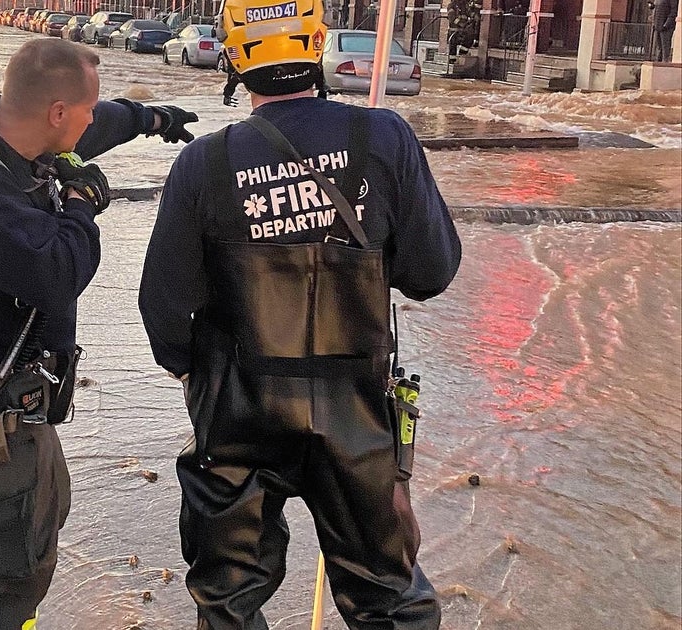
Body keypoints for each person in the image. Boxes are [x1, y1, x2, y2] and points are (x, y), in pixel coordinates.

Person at [138, 0, 461, 627]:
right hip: (357, 413)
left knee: (227, 599)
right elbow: (432, 271)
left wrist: (196, 377)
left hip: (239, 408)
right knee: (387, 597)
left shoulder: (202, 164)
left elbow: (166, 309)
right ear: (316, 43)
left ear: (234, 57)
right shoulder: (383, 137)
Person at [0, 38, 197, 629]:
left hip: (17, 408)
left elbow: (99, 124)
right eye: (84, 110)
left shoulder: (20, 137)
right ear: (57, 112)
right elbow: (57, 273)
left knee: (32, 547)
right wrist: (82, 204)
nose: (93, 121)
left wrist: (154, 119)